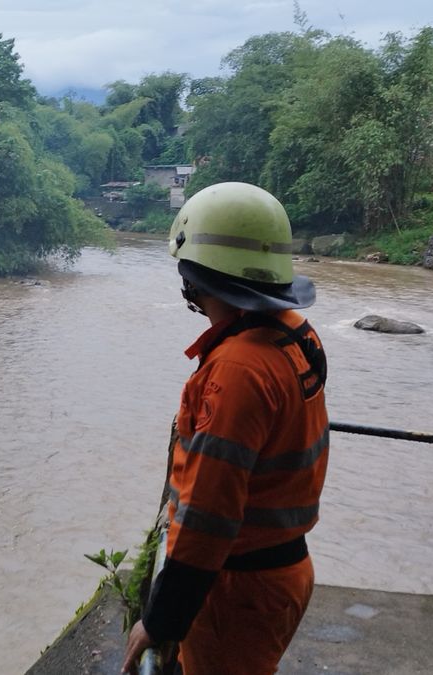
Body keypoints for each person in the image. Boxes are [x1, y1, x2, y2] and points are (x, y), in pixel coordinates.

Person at [122, 182, 330, 675]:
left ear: (197, 277)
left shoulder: (237, 371)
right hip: (283, 573)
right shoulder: (295, 333)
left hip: (239, 591)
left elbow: (208, 516)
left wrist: (162, 619)